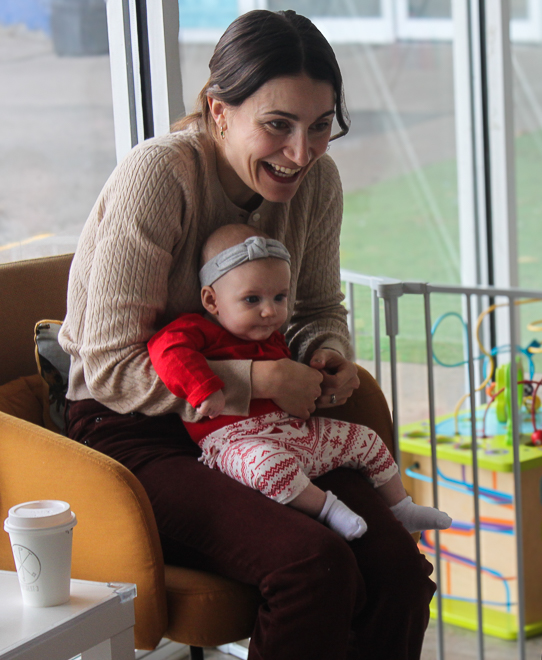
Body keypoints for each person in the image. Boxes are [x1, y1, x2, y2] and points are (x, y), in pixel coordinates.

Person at [58, 10, 435, 659]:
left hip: (260, 427)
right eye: (278, 125)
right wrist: (260, 378)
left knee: (400, 570)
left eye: (321, 127)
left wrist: (327, 354)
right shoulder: (159, 177)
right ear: (219, 110)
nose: (300, 153)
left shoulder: (318, 183)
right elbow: (114, 368)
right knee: (313, 567)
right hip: (134, 429)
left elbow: (316, 306)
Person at [148, 224, 452, 540]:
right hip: (235, 442)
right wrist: (204, 388)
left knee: (365, 438)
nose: (269, 311)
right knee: (269, 467)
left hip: (295, 432)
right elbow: (167, 351)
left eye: (280, 297)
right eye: (252, 299)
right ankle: (328, 510)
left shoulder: (273, 339)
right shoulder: (198, 331)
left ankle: (401, 507)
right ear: (211, 301)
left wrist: (317, 374)